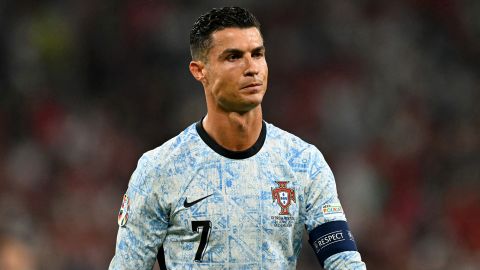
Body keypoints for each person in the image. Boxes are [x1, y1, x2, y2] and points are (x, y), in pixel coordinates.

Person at [109, 7, 366, 270]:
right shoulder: (161, 169)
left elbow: (343, 261)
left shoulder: (303, 163)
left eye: (257, 54)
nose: (251, 68)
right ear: (199, 71)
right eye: (233, 57)